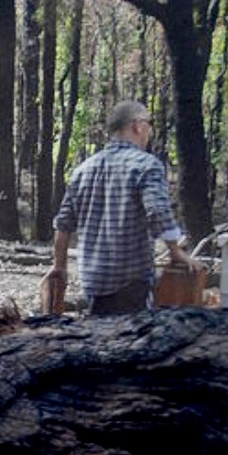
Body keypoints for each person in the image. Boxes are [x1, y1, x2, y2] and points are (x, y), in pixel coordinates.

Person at [47, 100, 202, 316]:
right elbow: (157, 211)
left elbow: (63, 225)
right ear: (137, 126)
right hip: (130, 280)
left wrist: (59, 266)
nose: (150, 130)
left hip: (93, 280)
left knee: (99, 339)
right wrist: (176, 252)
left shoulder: (83, 170)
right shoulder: (146, 165)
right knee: (129, 342)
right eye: (149, 123)